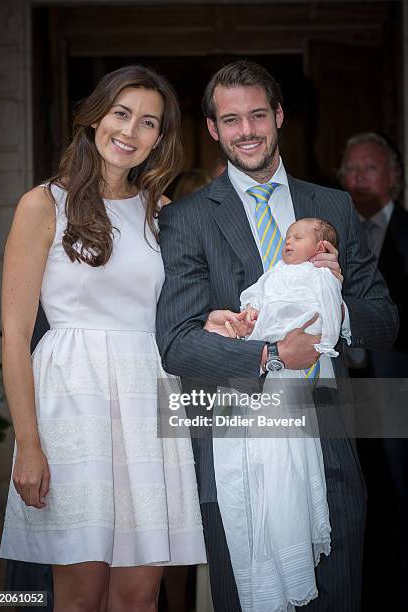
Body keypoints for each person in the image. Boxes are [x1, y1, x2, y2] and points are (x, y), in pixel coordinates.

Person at [156, 60, 398, 612]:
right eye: (232, 119)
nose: (248, 131)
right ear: (213, 129)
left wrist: (336, 303)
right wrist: (268, 353)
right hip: (237, 450)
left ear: (280, 116)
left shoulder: (331, 206)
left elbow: (386, 322)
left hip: (329, 436)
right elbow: (177, 343)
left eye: (258, 115)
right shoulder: (188, 219)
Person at [0, 65, 206, 612]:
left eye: (149, 123)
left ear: (160, 138)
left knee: (140, 594)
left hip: (147, 402)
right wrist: (30, 445)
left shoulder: (162, 214)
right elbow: (15, 337)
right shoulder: (42, 205)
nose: (131, 131)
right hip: (71, 404)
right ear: (94, 117)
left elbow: (182, 317)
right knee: (81, 590)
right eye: (121, 113)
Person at [209, 217, 343, 611]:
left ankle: (289, 560)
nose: (288, 242)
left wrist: (325, 343)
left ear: (319, 248)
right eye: (287, 237)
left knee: (287, 473)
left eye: (298, 237)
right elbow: (255, 293)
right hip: (256, 361)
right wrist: (249, 312)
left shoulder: (321, 276)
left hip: (299, 379)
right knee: (254, 474)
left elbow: (332, 315)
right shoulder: (276, 271)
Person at [339, 132, 408, 609]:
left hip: (394, 389)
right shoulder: (327, 235)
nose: (359, 178)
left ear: (393, 179)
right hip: (336, 390)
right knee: (347, 502)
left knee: (396, 503)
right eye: (352, 170)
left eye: (370, 169)